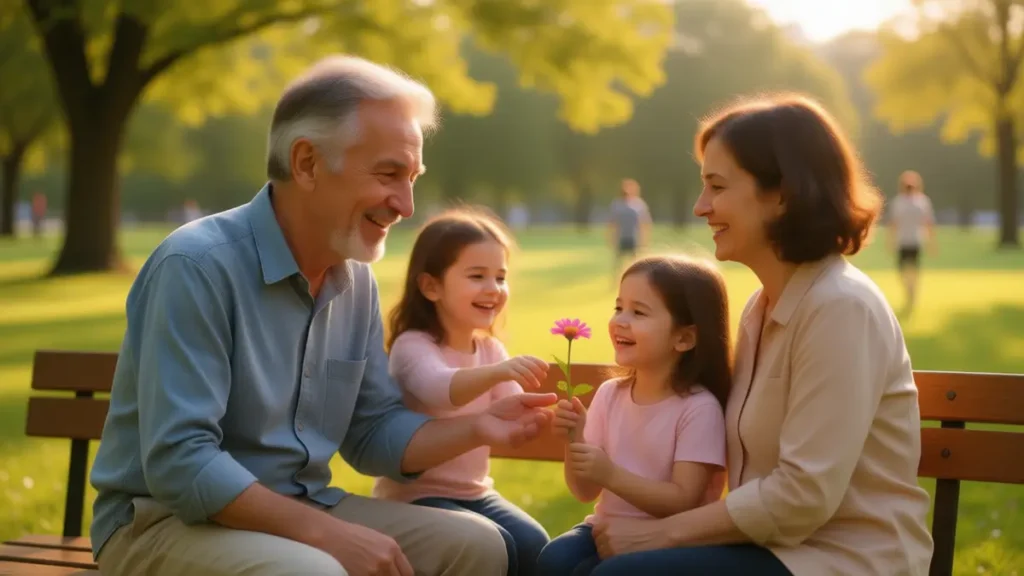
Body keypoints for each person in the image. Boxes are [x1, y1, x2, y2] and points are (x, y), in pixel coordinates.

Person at [87, 55, 556, 576]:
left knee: (480, 545)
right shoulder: (196, 266)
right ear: (307, 163)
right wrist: (330, 536)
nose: (405, 203)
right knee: (317, 572)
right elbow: (181, 460)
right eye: (388, 173)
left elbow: (373, 432)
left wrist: (480, 426)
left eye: (413, 177)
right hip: (160, 524)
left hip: (301, 504)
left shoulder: (355, 282)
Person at [585, 94, 934, 575]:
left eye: (717, 186)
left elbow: (802, 495)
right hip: (766, 548)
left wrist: (661, 534)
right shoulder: (760, 308)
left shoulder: (841, 309)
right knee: (567, 560)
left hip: (842, 559)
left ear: (782, 194)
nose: (700, 206)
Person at [372, 207, 552, 576]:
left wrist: (539, 417)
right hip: (416, 499)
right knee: (497, 541)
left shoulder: (489, 350)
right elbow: (440, 389)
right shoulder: (414, 346)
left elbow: (512, 411)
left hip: (474, 492)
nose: (493, 289)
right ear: (430, 286)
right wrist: (498, 371)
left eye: (501, 277)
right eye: (477, 276)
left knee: (535, 542)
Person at [536, 255, 731, 576]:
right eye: (618, 308)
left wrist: (610, 474)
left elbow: (683, 500)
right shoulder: (610, 394)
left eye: (638, 312)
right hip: (605, 527)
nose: (620, 321)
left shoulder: (699, 408)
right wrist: (575, 439)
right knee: (554, 559)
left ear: (684, 338)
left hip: (672, 539)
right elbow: (584, 491)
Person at [888, 170, 936, 316]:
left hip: (911, 241)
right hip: (908, 241)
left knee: (909, 270)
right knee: (907, 270)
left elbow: (927, 223)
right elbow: (894, 223)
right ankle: (910, 292)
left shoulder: (917, 202)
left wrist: (931, 242)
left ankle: (911, 293)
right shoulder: (905, 202)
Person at [607, 179, 652, 281]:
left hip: (634, 238)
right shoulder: (617, 204)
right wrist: (611, 238)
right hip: (622, 237)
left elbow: (645, 223)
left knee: (636, 263)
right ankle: (616, 281)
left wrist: (644, 239)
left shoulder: (639, 205)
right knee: (618, 262)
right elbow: (613, 223)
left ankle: (636, 280)